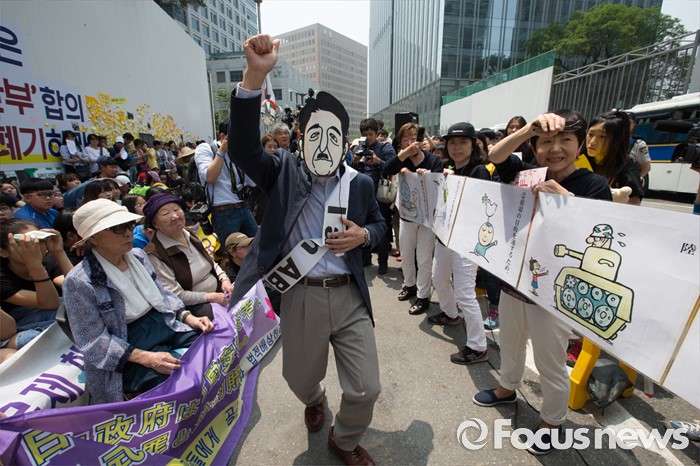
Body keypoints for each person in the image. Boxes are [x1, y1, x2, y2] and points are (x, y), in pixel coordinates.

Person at [228, 34, 386, 466]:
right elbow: (242, 148)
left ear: (345, 140)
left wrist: (365, 236)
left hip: (349, 295)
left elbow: (380, 225)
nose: (323, 143)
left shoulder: (360, 183)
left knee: (367, 388)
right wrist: (255, 75)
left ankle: (344, 439)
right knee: (298, 378)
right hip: (299, 293)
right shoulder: (282, 171)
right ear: (301, 137)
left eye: (333, 135)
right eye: (314, 133)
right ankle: (314, 398)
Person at [473, 110, 611, 456]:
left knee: (550, 360)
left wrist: (562, 199)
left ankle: (552, 421)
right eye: (546, 141)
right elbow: (495, 155)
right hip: (515, 278)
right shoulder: (527, 173)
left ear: (580, 145)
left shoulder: (593, 185)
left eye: (566, 140)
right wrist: (528, 129)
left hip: (554, 292)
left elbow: (596, 237)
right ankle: (507, 388)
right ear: (534, 148)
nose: (556, 149)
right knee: (510, 341)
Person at [62, 199, 214, 404]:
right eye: (118, 228)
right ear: (94, 238)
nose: (128, 233)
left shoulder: (138, 256)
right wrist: (147, 358)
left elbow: (163, 295)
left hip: (164, 322)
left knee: (210, 347)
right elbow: (93, 341)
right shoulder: (79, 281)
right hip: (128, 343)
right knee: (174, 381)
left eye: (129, 225)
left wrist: (187, 317)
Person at [424, 123, 491, 366]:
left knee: (465, 293)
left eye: (463, 142)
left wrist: (454, 183)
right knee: (438, 278)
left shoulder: (479, 171)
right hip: (445, 238)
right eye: (452, 143)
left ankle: (478, 346)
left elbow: (480, 207)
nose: (457, 147)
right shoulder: (449, 169)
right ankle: (450, 313)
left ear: (474, 145)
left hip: (466, 242)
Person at [384, 122, 443, 315]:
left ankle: (423, 296)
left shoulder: (432, 160)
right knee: (406, 254)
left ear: (421, 140)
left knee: (424, 259)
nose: (410, 143)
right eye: (405, 140)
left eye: (413, 138)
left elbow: (440, 183)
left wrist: (426, 176)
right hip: (406, 216)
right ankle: (409, 285)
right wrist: (404, 156)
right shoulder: (401, 159)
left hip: (427, 220)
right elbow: (387, 169)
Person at [143, 193, 232, 320]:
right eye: (165, 213)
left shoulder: (189, 233)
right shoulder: (155, 253)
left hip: (219, 289)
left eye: (176, 209)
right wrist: (211, 297)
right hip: (196, 305)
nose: (175, 216)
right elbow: (175, 295)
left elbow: (211, 261)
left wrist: (224, 279)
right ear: (155, 224)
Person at [0, 218, 73, 349]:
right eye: (24, 243)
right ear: (3, 252)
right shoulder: (2, 275)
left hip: (53, 311)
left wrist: (59, 252)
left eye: (40, 241)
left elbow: (79, 288)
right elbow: (50, 303)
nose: (35, 247)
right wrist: (35, 266)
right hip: (21, 322)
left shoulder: (48, 259)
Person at [194, 121, 257, 241]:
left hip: (244, 207)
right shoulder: (206, 148)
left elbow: (252, 182)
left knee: (255, 246)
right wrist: (222, 150)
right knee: (231, 250)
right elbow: (210, 177)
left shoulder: (239, 153)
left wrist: (249, 157)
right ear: (223, 136)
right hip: (223, 212)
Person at [351, 118, 397, 274]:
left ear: (377, 134)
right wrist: (354, 161)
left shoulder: (385, 147)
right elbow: (351, 171)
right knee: (362, 226)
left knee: (380, 227)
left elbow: (393, 167)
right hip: (362, 193)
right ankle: (365, 258)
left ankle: (383, 262)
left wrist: (378, 161)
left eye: (371, 134)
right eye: (365, 135)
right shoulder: (359, 148)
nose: (368, 138)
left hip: (380, 194)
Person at [582, 110, 644, 205]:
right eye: (590, 134)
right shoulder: (578, 160)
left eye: (602, 136)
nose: (592, 142)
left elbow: (633, 205)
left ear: (616, 140)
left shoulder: (628, 169)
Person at [627, 112, 651, 180]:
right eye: (623, 122)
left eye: (628, 122)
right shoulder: (610, 140)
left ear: (634, 124)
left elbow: (646, 168)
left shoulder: (638, 144)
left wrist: (633, 180)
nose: (625, 125)